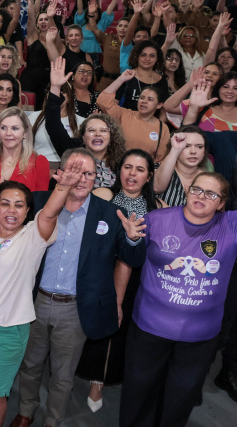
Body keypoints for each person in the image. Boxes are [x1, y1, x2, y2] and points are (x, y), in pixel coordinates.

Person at [10, 149, 146, 427]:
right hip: (33, 302)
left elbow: (130, 260)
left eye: (88, 173)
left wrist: (133, 240)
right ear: (60, 173)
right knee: (30, 365)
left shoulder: (110, 213)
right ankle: (26, 411)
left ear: (97, 179)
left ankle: (53, 420)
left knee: (63, 374)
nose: (81, 179)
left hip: (75, 309)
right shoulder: (38, 202)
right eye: (74, 171)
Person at [0, 155, 88, 427]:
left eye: (20, 205)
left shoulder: (33, 235)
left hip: (8, 329)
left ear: (27, 211)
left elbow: (50, 212)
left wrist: (63, 187)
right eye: (5, 203)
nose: (12, 210)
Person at [117, 172, 237, 427]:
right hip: (150, 328)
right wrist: (130, 239)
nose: (201, 196)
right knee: (138, 392)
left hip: (199, 337)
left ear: (222, 203)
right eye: (196, 189)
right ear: (187, 191)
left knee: (180, 398)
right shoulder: (157, 220)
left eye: (211, 193)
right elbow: (130, 256)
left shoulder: (231, 226)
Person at [81, 149, 163, 412]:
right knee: (97, 326)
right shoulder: (104, 195)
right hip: (100, 272)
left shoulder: (158, 208)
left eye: (140, 170)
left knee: (121, 330)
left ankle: (105, 378)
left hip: (139, 278)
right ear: (119, 171)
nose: (132, 174)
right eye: (128, 167)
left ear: (149, 176)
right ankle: (94, 378)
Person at [45, 57, 127, 188]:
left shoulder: (121, 163)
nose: (97, 134)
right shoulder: (71, 151)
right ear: (82, 136)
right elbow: (52, 124)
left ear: (112, 136)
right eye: (91, 130)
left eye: (103, 131)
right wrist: (55, 87)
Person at [97, 69, 171, 163]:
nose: (144, 101)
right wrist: (121, 79)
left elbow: (161, 160)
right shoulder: (125, 114)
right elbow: (102, 101)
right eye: (142, 98)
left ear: (159, 105)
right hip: (119, 167)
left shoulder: (162, 128)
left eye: (150, 99)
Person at [153, 126, 209, 207]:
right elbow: (156, 188)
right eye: (186, 146)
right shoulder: (158, 169)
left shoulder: (209, 178)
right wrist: (175, 149)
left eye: (199, 146)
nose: (193, 151)